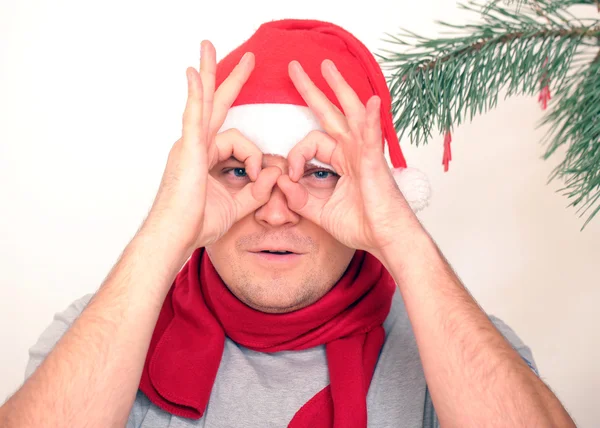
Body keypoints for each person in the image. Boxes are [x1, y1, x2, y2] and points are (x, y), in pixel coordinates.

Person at [0, 19, 575, 428]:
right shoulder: (96, 329)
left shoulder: (457, 347)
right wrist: (162, 235)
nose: (275, 211)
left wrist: (400, 236)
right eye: (235, 171)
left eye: (320, 173)